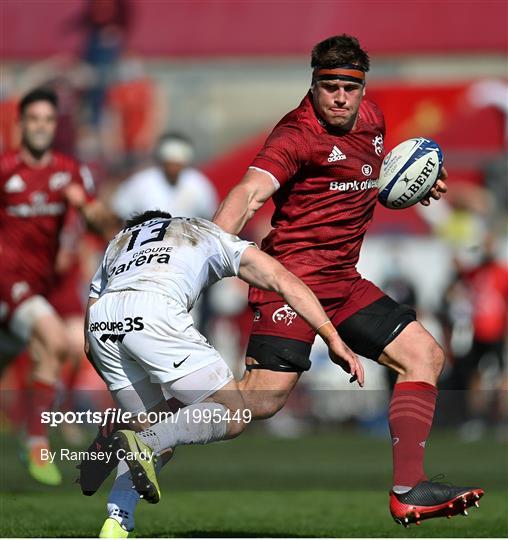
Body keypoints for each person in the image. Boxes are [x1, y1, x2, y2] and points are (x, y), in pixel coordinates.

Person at [212, 34, 483, 526]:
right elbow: (249, 193)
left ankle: (409, 491)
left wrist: (421, 182)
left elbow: (367, 178)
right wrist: (206, 250)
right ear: (313, 85)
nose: (339, 96)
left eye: (348, 87)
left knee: (424, 355)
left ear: (363, 87)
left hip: (343, 281)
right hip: (291, 282)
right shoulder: (295, 135)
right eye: (328, 85)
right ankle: (145, 425)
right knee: (259, 402)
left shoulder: (374, 120)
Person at [84, 210, 362, 537]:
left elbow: (88, 343)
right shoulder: (202, 231)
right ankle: (145, 440)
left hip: (101, 325)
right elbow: (282, 280)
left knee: (160, 441)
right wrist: (332, 337)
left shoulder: (117, 244)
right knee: (235, 412)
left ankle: (116, 523)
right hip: (155, 308)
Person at [0, 87, 115, 486]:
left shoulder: (69, 170)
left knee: (49, 348)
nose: (40, 127)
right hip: (7, 283)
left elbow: (102, 222)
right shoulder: (6, 169)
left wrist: (86, 206)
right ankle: (35, 441)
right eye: (33, 120)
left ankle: (30, 437)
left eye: (47, 120)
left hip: (38, 288)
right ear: (21, 124)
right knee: (56, 340)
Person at [111, 132, 218, 222]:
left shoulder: (198, 184)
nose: (173, 169)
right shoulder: (141, 183)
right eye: (170, 163)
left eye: (177, 164)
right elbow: (120, 212)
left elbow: (209, 217)